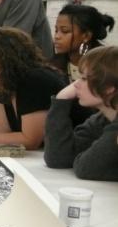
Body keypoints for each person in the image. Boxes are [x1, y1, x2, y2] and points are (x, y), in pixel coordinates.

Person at [44, 46, 118, 181]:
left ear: (109, 88)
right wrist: (61, 100)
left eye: (84, 79)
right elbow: (58, 158)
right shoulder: (102, 119)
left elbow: (85, 168)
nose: (75, 84)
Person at [52, 4, 115, 82]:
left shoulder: (108, 67)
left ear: (86, 36)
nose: (57, 36)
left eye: (65, 31)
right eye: (56, 30)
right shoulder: (53, 65)